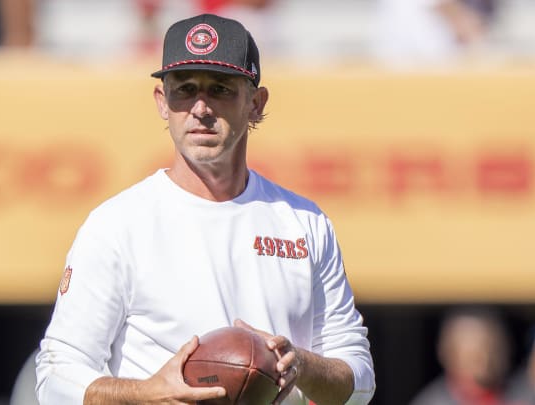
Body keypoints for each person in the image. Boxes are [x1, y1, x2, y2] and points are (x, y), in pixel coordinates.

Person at [35, 13, 375, 405]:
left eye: (220, 89)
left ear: (256, 103)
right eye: (185, 89)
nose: (200, 107)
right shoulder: (116, 225)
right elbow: (56, 378)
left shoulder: (305, 222)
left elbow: (359, 380)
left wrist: (300, 364)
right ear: (162, 102)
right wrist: (148, 395)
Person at [409, 307, 525, 405]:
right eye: (474, 354)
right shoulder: (433, 402)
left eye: (490, 347)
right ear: (448, 352)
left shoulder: (517, 395)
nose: (485, 359)